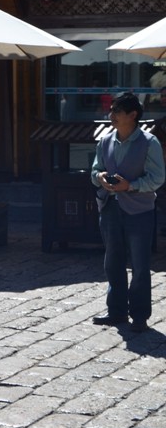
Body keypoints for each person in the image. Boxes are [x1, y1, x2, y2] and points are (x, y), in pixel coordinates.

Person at [91, 92, 165, 332]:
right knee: (113, 262)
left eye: (116, 112)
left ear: (132, 115)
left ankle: (140, 315)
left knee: (141, 265)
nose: (111, 115)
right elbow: (95, 170)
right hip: (110, 208)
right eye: (111, 110)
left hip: (139, 210)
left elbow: (157, 178)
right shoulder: (105, 141)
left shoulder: (149, 142)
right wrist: (100, 177)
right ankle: (117, 311)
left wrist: (130, 186)